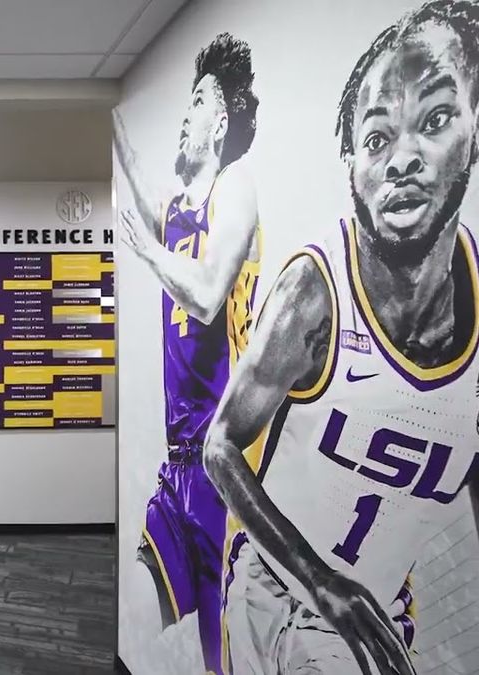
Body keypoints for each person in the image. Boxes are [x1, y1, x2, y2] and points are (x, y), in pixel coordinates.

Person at [204, 2, 479, 673]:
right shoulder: (316, 291)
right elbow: (219, 446)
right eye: (379, 138)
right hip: (283, 588)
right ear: (350, 161)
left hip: (380, 611)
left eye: (436, 119)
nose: (403, 160)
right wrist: (324, 585)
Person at [114, 33, 262, 673]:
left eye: (198, 101)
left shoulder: (235, 189)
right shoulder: (176, 211)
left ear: (221, 118)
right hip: (177, 468)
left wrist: (147, 255)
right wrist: (110, 116)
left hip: (224, 472)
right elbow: (145, 197)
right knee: (138, 620)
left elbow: (205, 296)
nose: (184, 114)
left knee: (217, 653)